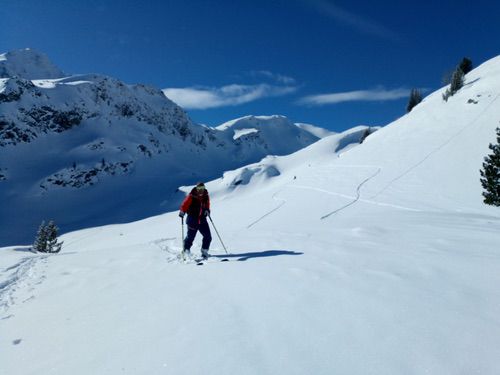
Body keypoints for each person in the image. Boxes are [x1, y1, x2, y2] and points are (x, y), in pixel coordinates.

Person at [179, 182, 212, 259]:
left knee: (208, 236)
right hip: (192, 220)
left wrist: (207, 210)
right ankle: (186, 250)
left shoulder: (206, 196)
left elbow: (207, 204)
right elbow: (184, 204)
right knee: (190, 237)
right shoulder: (191, 196)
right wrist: (182, 211)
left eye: (202, 189)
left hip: (202, 220)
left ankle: (204, 251)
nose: (201, 190)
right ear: (196, 189)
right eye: (199, 189)